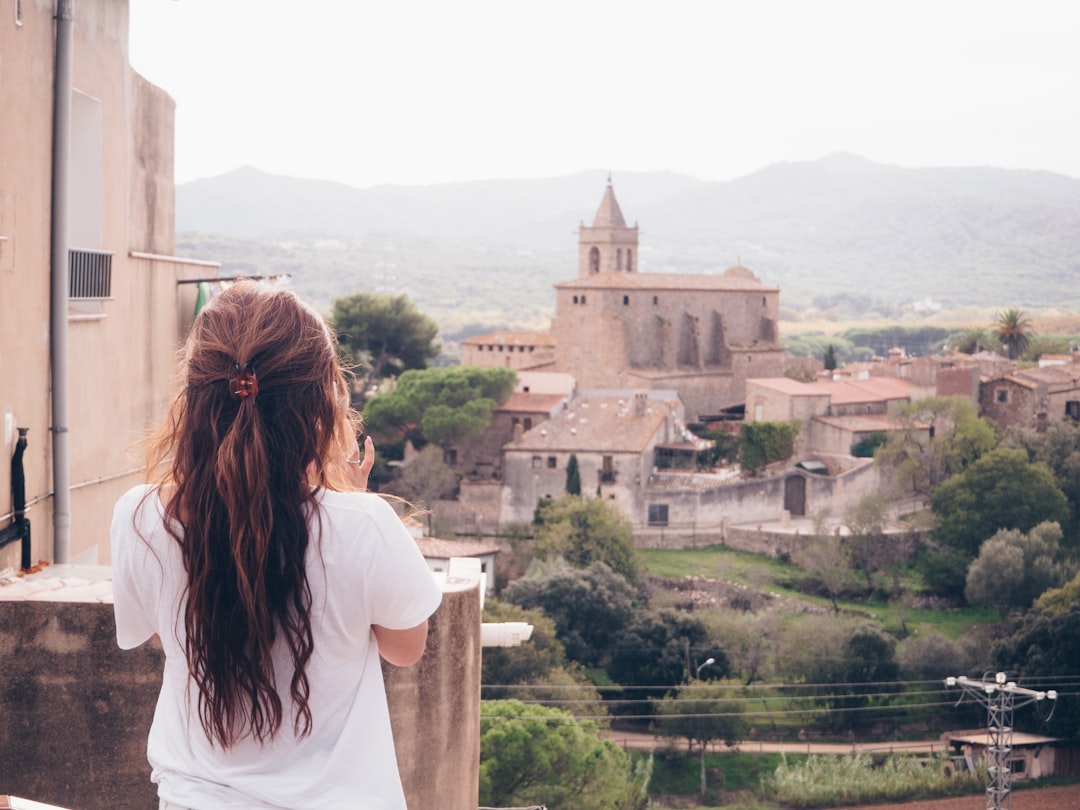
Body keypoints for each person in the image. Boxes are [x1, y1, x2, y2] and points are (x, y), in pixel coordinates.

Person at [110, 281, 442, 810]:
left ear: (194, 396)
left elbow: (167, 633)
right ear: (320, 400)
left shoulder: (138, 515)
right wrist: (348, 501)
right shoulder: (367, 524)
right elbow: (405, 650)